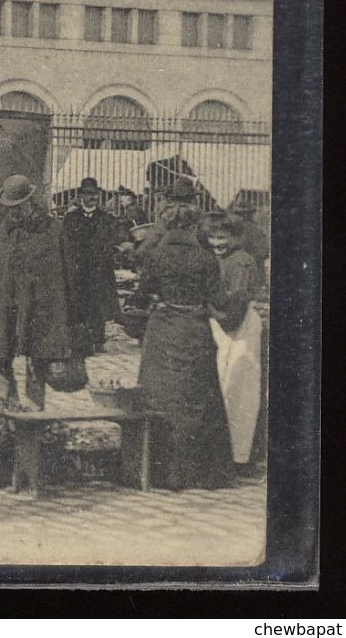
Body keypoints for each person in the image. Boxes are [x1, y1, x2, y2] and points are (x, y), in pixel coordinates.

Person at [136, 202, 234, 489]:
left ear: (166, 226)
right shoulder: (206, 259)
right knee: (198, 396)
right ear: (193, 227)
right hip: (195, 330)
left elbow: (142, 295)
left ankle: (161, 472)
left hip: (164, 329)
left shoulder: (156, 256)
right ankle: (202, 474)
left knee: (161, 395)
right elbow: (219, 301)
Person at [0, 174, 77, 409]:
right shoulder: (6, 229)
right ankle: (8, 409)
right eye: (8, 207)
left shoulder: (52, 230)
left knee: (37, 358)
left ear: (30, 202)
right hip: (5, 302)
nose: (12, 211)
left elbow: (66, 272)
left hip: (38, 305)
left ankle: (34, 417)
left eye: (17, 206)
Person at [202, 211, 267, 468]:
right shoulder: (217, 258)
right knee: (224, 386)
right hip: (224, 323)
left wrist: (211, 312)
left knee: (239, 388)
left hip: (238, 326)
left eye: (222, 238)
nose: (217, 243)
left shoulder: (241, 261)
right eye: (212, 237)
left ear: (235, 237)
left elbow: (236, 304)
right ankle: (229, 452)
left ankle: (241, 455)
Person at [61, 178, 122, 354]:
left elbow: (112, 242)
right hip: (78, 271)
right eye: (88, 194)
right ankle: (79, 341)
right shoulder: (71, 219)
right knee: (77, 304)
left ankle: (98, 339)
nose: (93, 198)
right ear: (81, 197)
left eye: (95, 194)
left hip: (99, 270)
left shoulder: (107, 219)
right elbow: (66, 244)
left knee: (98, 305)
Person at [229, 199, 271, 266]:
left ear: (246, 215)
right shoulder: (234, 229)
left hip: (251, 267)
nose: (236, 217)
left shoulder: (255, 230)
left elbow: (263, 251)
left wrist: (247, 260)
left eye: (239, 214)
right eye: (237, 214)